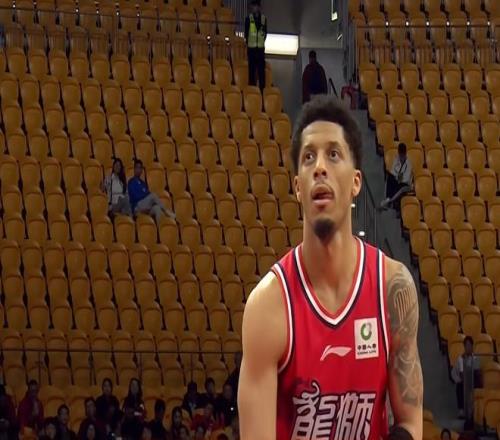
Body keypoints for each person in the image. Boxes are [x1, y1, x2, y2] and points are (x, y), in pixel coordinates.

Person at [238, 96, 423, 440]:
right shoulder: (269, 305)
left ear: (356, 182)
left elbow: (411, 423)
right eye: (308, 157)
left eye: (333, 154)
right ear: (298, 187)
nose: (319, 167)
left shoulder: (393, 287)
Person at [452, 336, 482, 421]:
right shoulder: (460, 359)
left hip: (473, 378)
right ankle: (461, 410)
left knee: (478, 381)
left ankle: (477, 410)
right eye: (466, 345)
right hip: (463, 380)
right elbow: (461, 374)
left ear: (472, 346)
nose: (468, 347)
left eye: (470, 345)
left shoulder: (476, 358)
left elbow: (477, 372)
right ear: (464, 347)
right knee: (459, 386)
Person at [380, 142, 413, 210]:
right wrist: (395, 176)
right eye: (400, 155)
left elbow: (406, 179)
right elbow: (393, 170)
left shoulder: (409, 163)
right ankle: (387, 198)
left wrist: (398, 177)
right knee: (389, 178)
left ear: (405, 154)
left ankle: (390, 201)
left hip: (406, 184)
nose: (401, 158)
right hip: (398, 178)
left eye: (402, 156)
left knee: (401, 188)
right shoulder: (397, 159)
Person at [244, 0, 267, 92]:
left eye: (256, 6)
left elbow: (265, 34)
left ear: (259, 7)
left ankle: (262, 92)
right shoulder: (248, 19)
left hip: (260, 50)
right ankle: (252, 91)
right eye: (253, 6)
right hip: (251, 50)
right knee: (252, 72)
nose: (254, 8)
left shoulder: (264, 19)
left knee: (261, 73)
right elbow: (246, 34)